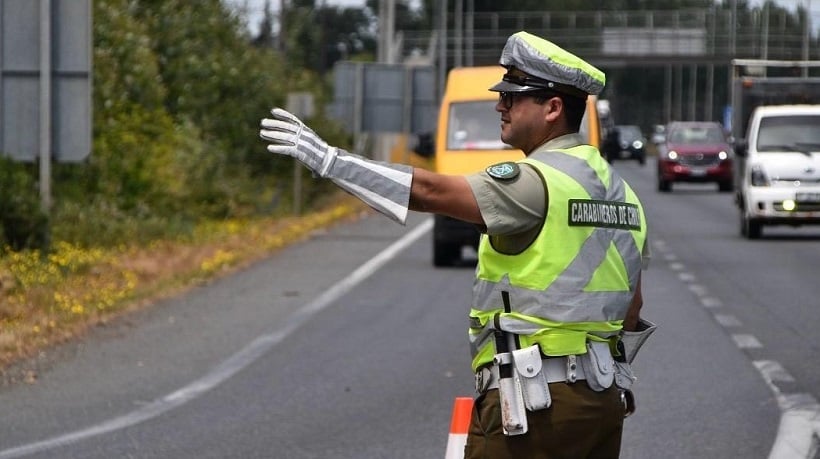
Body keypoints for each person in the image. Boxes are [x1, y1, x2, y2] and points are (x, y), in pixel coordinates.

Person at [259, 30, 655, 459]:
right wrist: (610, 376)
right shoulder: (622, 194)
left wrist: (331, 161)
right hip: (601, 402)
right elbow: (630, 304)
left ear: (553, 109)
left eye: (513, 97)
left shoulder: (535, 182)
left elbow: (429, 191)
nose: (499, 105)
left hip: (539, 402)